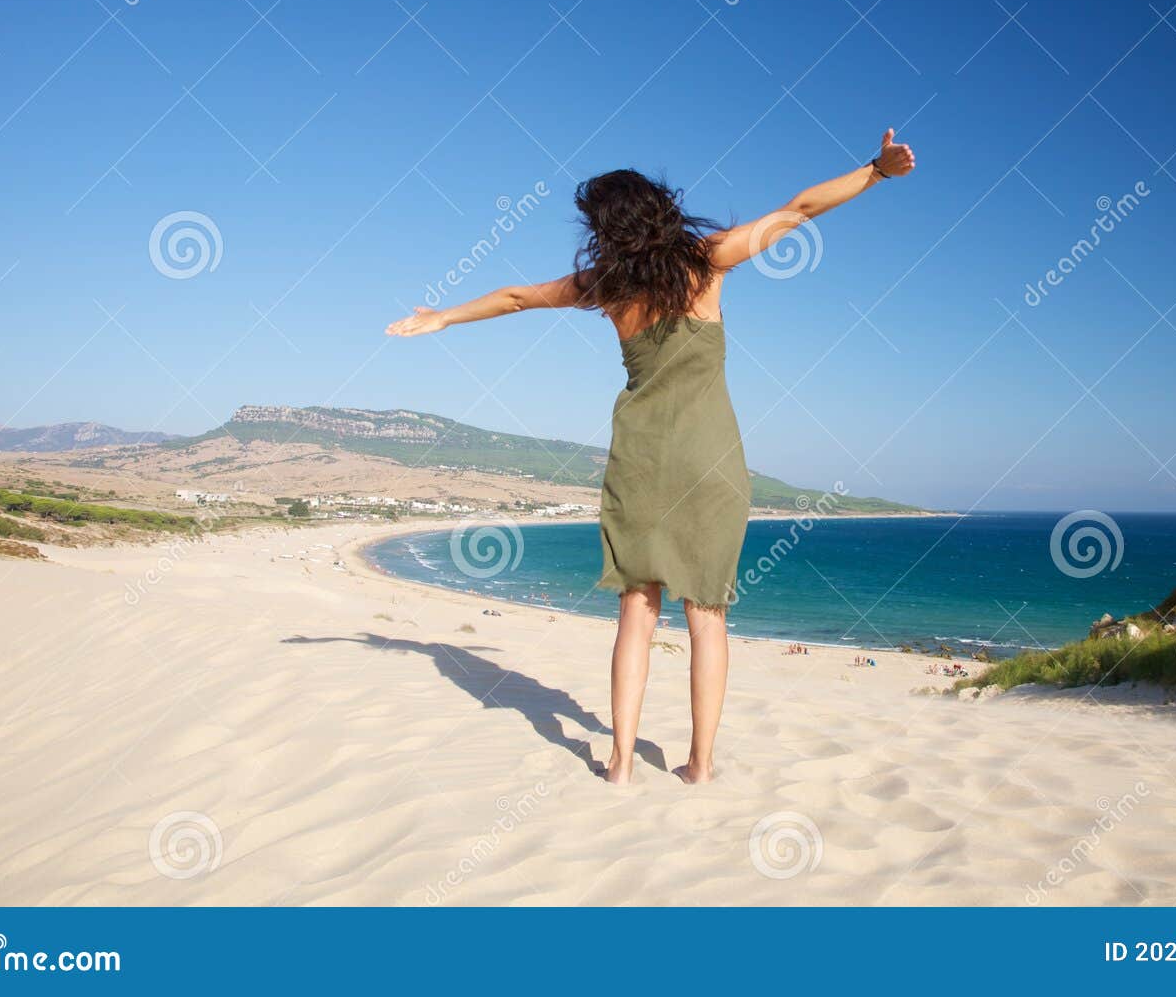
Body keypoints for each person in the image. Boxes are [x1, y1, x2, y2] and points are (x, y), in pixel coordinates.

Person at [386, 130, 917, 783]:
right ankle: (698, 764)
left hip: (638, 458)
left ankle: (619, 763)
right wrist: (876, 171)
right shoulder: (707, 260)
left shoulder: (603, 288)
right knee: (707, 615)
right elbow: (800, 209)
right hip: (710, 459)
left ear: (605, 231)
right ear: (660, 210)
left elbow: (517, 298)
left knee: (637, 611)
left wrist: (444, 317)